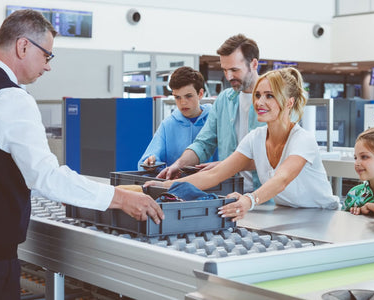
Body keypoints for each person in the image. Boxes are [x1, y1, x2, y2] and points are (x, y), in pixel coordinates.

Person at [0, 10, 163, 300]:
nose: (48, 67)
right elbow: (45, 177)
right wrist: (120, 198)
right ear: (23, 46)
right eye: (47, 56)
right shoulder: (10, 97)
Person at [146, 67, 340, 221]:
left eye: (269, 96)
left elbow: (282, 179)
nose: (260, 102)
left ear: (289, 102)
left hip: (323, 217)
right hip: (287, 215)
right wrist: (166, 185)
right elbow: (214, 174)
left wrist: (249, 200)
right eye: (258, 95)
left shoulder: (302, 139)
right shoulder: (255, 137)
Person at [157, 34, 265, 193]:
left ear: (254, 64)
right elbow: (203, 143)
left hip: (266, 197)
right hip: (230, 195)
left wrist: (226, 164)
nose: (228, 77)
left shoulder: (275, 102)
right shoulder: (223, 101)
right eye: (225, 70)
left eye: (234, 70)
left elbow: (275, 156)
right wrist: (178, 165)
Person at [137, 67, 217, 170]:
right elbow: (148, 159)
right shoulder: (168, 125)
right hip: (176, 184)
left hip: (212, 184)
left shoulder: (215, 121)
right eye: (177, 97)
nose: (183, 102)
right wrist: (150, 162)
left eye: (188, 96)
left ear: (200, 94)